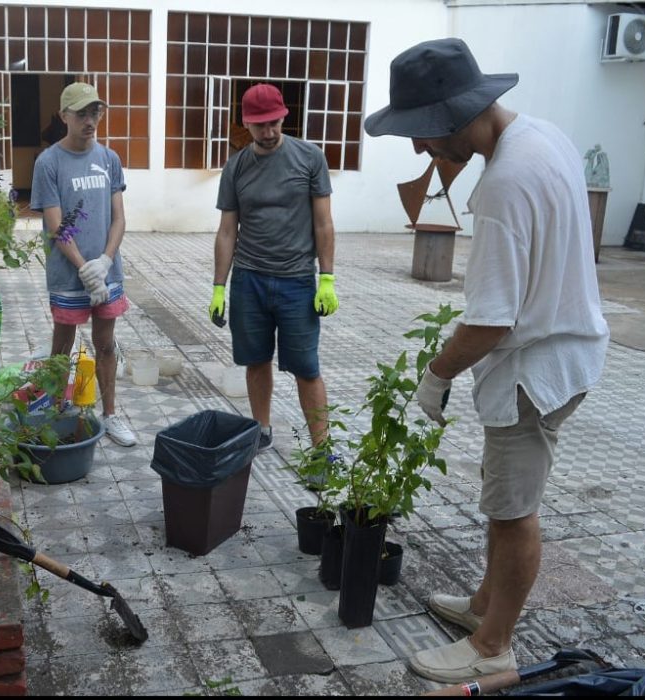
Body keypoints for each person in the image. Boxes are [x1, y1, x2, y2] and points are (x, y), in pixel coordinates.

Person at [365, 38, 609, 684]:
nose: (420, 150)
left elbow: (491, 320)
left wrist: (436, 373)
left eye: (422, 135)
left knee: (513, 508)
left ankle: (493, 646)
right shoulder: (541, 136)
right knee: (504, 495)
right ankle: (482, 606)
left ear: (452, 117)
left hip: (537, 368)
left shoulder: (502, 187)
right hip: (566, 347)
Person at [210, 83, 338, 459]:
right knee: (255, 359)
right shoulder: (236, 167)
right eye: (258, 126)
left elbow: (324, 224)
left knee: (306, 367)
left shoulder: (310, 158)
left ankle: (323, 447)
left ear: (284, 117)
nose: (267, 133)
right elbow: (226, 230)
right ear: (246, 124)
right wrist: (219, 287)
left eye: (273, 123)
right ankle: (261, 429)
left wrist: (326, 278)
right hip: (249, 279)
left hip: (297, 281)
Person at [30, 82, 137, 446]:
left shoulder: (109, 159)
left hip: (107, 273)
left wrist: (105, 262)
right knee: (62, 347)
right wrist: (83, 268)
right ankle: (56, 414)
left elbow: (119, 218)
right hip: (67, 276)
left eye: (95, 112)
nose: (90, 120)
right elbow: (57, 225)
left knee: (106, 344)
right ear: (64, 117)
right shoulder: (49, 163)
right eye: (81, 114)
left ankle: (110, 415)